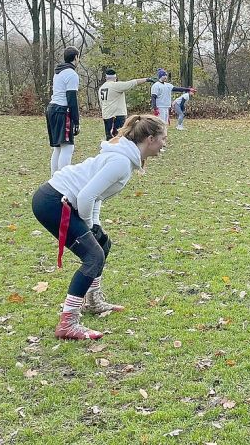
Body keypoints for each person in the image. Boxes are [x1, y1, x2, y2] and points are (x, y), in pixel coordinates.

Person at [31, 115, 168, 340]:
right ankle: (68, 323)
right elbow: (86, 196)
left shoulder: (125, 158)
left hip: (60, 200)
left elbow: (96, 196)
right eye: (163, 139)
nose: (164, 144)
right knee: (93, 256)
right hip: (52, 202)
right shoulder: (121, 162)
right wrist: (88, 226)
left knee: (103, 244)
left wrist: (95, 226)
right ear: (150, 139)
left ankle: (93, 301)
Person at [46, 46, 81, 176]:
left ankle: (54, 179)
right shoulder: (72, 74)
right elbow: (71, 99)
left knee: (58, 148)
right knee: (67, 147)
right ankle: (62, 180)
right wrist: (76, 121)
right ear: (76, 57)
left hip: (52, 108)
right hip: (62, 111)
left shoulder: (58, 72)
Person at [98, 68, 153, 139]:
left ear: (106, 78)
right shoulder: (115, 86)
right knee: (119, 136)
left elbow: (101, 102)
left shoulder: (102, 88)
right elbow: (132, 83)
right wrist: (146, 79)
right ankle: (117, 149)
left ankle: (109, 148)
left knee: (109, 135)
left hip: (106, 114)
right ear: (115, 77)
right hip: (116, 115)